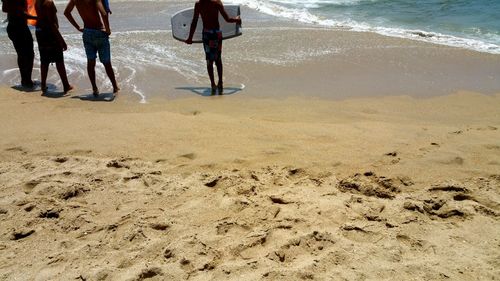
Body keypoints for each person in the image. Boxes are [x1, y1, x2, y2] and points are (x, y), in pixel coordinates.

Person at [64, 0, 119, 97]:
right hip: (99, 32)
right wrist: (108, 29)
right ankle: (115, 87)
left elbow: (66, 12)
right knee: (107, 63)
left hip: (87, 32)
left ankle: (94, 88)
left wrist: (78, 27)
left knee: (91, 62)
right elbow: (104, 14)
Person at [185, 0, 241, 94]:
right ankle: (220, 83)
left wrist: (190, 38)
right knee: (218, 59)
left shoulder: (199, 4)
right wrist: (237, 19)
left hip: (207, 35)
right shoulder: (217, 2)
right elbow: (227, 19)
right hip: (216, 35)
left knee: (209, 60)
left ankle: (213, 84)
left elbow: (194, 21)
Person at [35, 0, 73, 94]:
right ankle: (66, 85)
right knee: (59, 60)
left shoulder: (38, 1)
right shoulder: (49, 2)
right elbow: (52, 24)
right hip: (49, 33)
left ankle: (43, 85)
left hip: (40, 32)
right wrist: (62, 41)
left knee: (44, 60)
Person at [2, 0, 36, 88]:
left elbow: (5, 8)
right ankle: (27, 80)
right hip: (19, 27)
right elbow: (20, 13)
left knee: (22, 54)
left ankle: (25, 80)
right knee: (29, 54)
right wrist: (37, 18)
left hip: (13, 27)